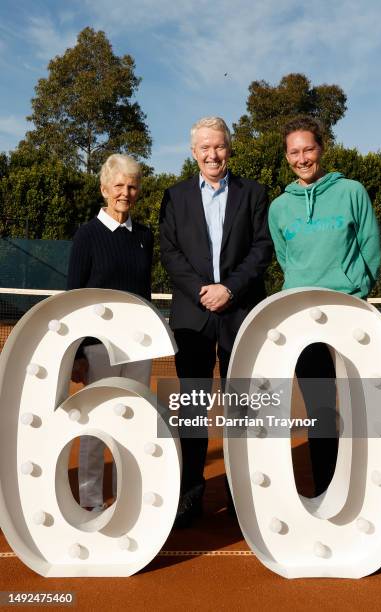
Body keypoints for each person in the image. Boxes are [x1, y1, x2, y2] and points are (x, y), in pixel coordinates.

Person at [160, 116, 273, 526]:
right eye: (205, 148)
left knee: (243, 410)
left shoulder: (254, 193)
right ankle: (190, 496)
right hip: (193, 316)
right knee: (192, 409)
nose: (213, 154)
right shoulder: (173, 196)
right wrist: (204, 290)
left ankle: (243, 498)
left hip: (240, 313)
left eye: (219, 146)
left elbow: (262, 249)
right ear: (194, 153)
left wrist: (230, 289)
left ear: (229, 148)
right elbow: (170, 252)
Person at [268, 115, 381, 496]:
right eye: (294, 152)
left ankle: (366, 487)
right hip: (302, 318)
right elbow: (286, 259)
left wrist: (356, 289)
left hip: (349, 315)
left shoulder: (351, 191)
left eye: (308, 149)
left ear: (322, 148)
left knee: (359, 404)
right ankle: (328, 488)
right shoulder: (279, 208)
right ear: (287, 157)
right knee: (321, 410)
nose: (302, 158)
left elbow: (370, 248)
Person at [67, 153, 153, 511]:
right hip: (98, 349)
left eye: (132, 186)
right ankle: (90, 499)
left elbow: (144, 295)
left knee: (132, 423)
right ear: (104, 189)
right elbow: (74, 298)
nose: (125, 192)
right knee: (97, 424)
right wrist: (75, 354)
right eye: (118, 185)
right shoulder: (86, 236)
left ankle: (126, 498)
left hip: (137, 348)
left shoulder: (145, 237)